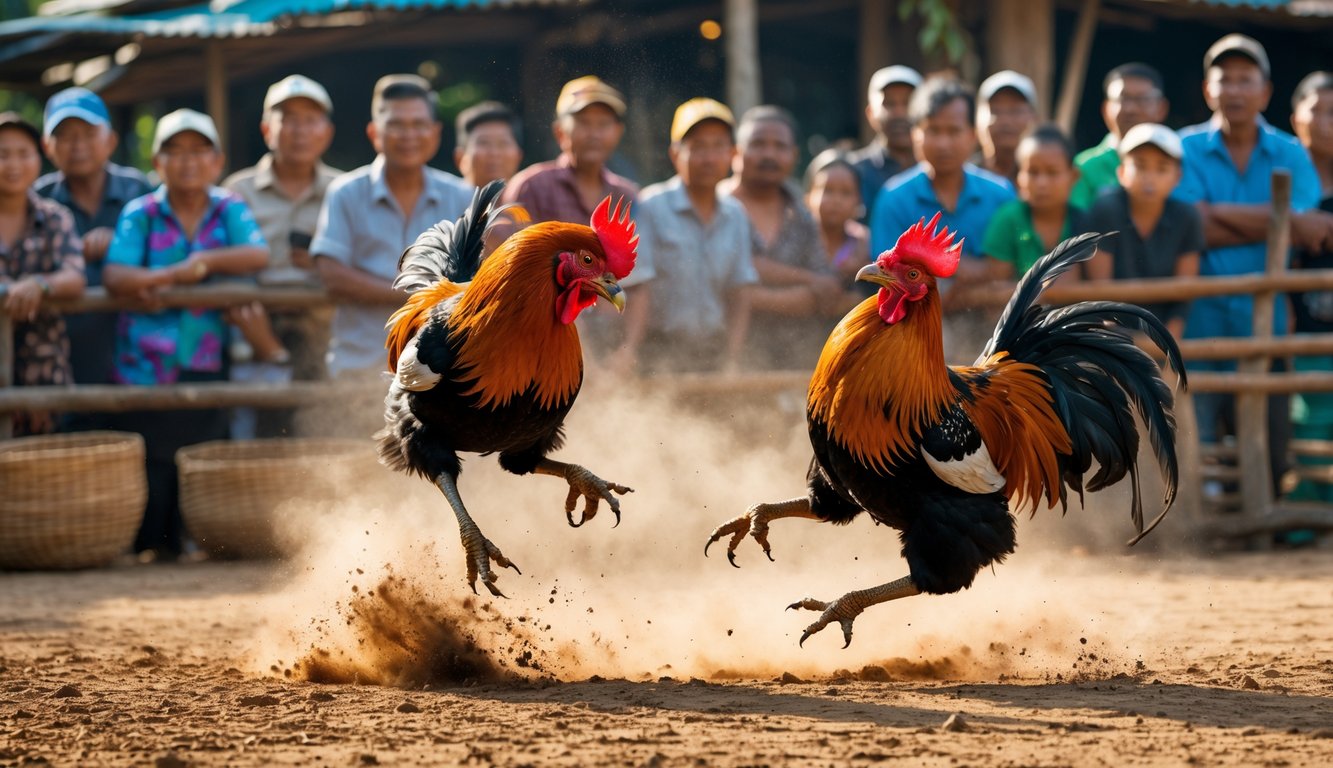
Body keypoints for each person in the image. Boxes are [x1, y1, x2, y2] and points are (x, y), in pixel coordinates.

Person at [102, 109, 269, 558]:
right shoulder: (142, 212)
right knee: (152, 456)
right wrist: (179, 278)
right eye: (175, 151)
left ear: (216, 161)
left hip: (205, 354)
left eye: (198, 151)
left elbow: (256, 255)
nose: (187, 161)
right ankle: (156, 547)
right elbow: (116, 274)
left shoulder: (228, 206)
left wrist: (191, 268)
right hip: (144, 360)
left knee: (200, 449)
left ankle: (195, 544)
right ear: (157, 162)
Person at [1176, 34, 1333, 497]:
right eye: (1226, 80)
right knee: (1196, 427)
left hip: (1264, 315)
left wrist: (1213, 214)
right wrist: (1275, 220)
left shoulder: (1289, 152)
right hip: (1199, 314)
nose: (1236, 91)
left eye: (1247, 80)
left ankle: (1264, 519)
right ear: (1208, 90)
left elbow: (1305, 230)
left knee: (1269, 433)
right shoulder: (1183, 148)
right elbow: (1190, 229)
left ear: (1265, 92)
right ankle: (1203, 529)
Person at [312, 74, 472, 381]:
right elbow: (331, 274)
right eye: (396, 124)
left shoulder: (462, 196)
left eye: (419, 124)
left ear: (435, 133)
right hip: (361, 366)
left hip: (443, 372)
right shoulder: (345, 192)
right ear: (374, 133)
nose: (408, 134)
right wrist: (416, 297)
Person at [224, 74, 340, 438]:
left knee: (325, 436)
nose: (299, 130)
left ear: (327, 132)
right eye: (287, 119)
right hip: (253, 330)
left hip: (326, 335)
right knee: (256, 441)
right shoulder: (235, 192)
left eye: (310, 120)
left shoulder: (345, 190)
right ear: (266, 130)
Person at [35, 87, 152, 421]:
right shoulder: (37, 200)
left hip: (135, 350)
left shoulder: (139, 192)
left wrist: (121, 244)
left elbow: (165, 251)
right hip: (61, 354)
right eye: (66, 136)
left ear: (110, 141)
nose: (78, 145)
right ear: (48, 146)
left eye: (88, 133)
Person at [719, 105, 856, 370]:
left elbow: (823, 293)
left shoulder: (803, 215)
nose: (769, 154)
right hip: (721, 355)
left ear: (794, 155)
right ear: (736, 152)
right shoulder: (716, 208)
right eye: (758, 144)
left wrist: (752, 297)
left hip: (795, 357)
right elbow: (726, 280)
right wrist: (806, 282)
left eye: (779, 146)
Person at [633, 98, 757, 374]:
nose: (709, 158)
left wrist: (733, 359)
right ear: (675, 154)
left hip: (714, 352)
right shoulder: (651, 206)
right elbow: (639, 285)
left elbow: (740, 291)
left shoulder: (736, 214)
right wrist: (628, 350)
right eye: (697, 147)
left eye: (718, 146)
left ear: (732, 154)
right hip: (657, 352)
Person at [870, 77, 1015, 285]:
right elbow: (888, 279)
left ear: (973, 136)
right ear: (915, 134)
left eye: (954, 131)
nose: (943, 143)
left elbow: (1015, 272)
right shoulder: (893, 199)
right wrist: (969, 269)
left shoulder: (1001, 195)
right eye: (933, 130)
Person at [0, 113, 87, 437]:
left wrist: (38, 284)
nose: (13, 164)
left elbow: (75, 275)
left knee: (43, 476)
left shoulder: (54, 218)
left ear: (38, 158)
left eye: (23, 154)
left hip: (44, 375)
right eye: (3, 154)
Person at [1084, 123, 1203, 339]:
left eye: (1161, 168)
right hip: (1110, 336)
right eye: (1140, 166)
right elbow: (1101, 295)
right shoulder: (1105, 210)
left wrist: (1167, 345)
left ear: (1177, 177)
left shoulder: (1188, 218)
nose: (1150, 177)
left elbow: (1184, 297)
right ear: (1121, 172)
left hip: (1164, 336)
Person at [1287, 71, 1333, 505]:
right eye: (1316, 110)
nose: (1326, 121)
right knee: (1306, 420)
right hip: (1301, 327)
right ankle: (1306, 516)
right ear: (1294, 118)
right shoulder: (1284, 181)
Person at [982, 124, 1086, 281]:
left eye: (1052, 172)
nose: (1042, 183)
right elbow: (997, 289)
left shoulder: (1086, 222)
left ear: (1074, 176)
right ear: (1018, 178)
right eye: (1032, 172)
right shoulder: (1007, 220)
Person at [1069, 63, 1169, 209]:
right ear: (1105, 109)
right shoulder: (1083, 168)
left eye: (1143, 99)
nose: (1131, 109)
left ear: (1162, 108)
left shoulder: (1179, 162)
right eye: (1123, 99)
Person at [847, 65, 922, 216]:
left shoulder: (940, 171)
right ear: (870, 114)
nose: (900, 113)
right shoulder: (854, 173)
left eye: (907, 103)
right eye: (889, 104)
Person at [805, 149, 869, 285]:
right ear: (808, 196)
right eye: (827, 190)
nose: (836, 200)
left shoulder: (862, 245)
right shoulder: (798, 239)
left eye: (846, 193)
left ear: (858, 200)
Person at [976, 70, 1039, 184]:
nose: (1005, 121)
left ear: (1034, 118)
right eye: (995, 111)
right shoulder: (961, 178)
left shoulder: (1043, 181)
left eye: (1015, 111)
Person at [454, 100, 523, 188]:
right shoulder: (443, 200)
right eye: (484, 143)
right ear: (460, 158)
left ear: (519, 156)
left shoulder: (533, 200)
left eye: (503, 143)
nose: (494, 153)